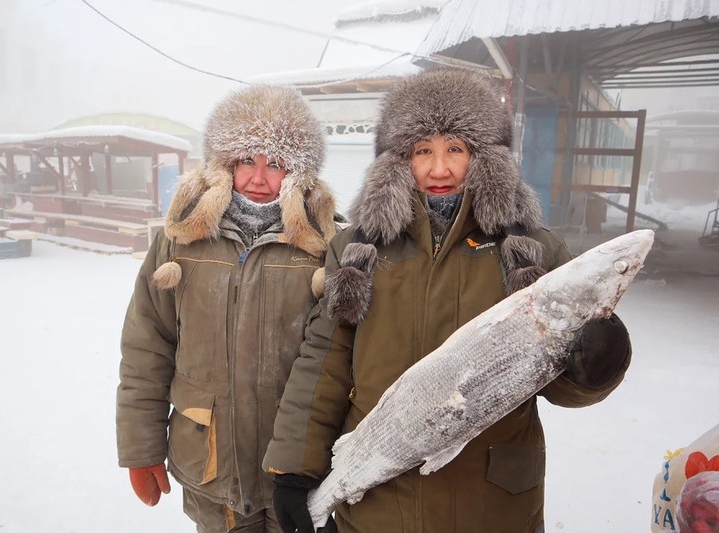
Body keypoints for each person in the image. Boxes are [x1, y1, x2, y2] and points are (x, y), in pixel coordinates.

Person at [263, 68, 632, 533]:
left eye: (455, 149)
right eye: (423, 151)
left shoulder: (533, 251)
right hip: (381, 500)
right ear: (398, 161)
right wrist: (296, 468)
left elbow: (558, 384)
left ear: (484, 157)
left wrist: (595, 364)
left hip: (493, 504)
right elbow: (326, 358)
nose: (439, 169)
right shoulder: (359, 250)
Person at [116, 84, 339, 533]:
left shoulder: (328, 247)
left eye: (274, 164)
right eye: (245, 161)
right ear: (224, 164)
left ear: (298, 172)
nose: (258, 179)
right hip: (210, 467)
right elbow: (147, 347)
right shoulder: (179, 241)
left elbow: (345, 362)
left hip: (298, 472)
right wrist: (141, 450)